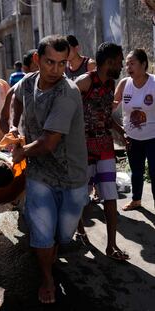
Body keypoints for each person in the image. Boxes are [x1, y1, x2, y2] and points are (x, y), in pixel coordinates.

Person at [11, 35, 88, 304]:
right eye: (49, 62)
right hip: (39, 175)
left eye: (62, 63)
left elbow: (48, 142)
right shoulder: (28, 81)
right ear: (37, 60)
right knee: (42, 234)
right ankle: (47, 278)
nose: (56, 70)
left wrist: (20, 152)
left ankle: (51, 253)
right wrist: (12, 125)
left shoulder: (67, 92)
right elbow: (15, 97)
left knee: (62, 236)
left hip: (72, 178)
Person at [75, 42, 129, 261]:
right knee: (80, 196)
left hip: (105, 147)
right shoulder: (84, 82)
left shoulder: (110, 84)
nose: (122, 64)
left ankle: (111, 245)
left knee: (110, 195)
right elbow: (67, 110)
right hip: (83, 148)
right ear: (109, 61)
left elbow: (106, 116)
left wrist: (120, 130)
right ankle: (79, 230)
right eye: (119, 61)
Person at [113, 48, 155, 211]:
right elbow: (113, 104)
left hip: (153, 137)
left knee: (154, 173)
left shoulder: (153, 84)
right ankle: (136, 200)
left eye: (132, 63)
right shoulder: (125, 84)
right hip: (132, 137)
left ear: (143, 64)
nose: (128, 67)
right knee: (136, 172)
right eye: (127, 64)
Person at [0, 49, 38, 145]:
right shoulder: (14, 91)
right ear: (25, 68)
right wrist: (16, 141)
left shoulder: (56, 88)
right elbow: (2, 120)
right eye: (36, 66)